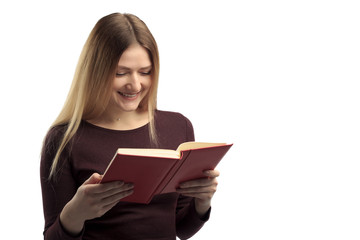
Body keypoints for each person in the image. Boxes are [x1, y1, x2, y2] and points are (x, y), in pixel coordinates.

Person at [40, 12, 220, 240]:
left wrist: (202, 202)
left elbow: (181, 229)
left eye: (145, 72)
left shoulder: (178, 127)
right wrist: (75, 214)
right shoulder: (64, 139)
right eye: (120, 73)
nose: (135, 84)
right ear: (96, 71)